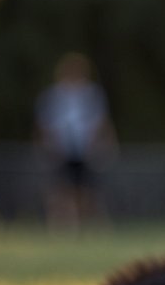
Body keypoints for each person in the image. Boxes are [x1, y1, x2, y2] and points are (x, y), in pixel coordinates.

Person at [35, 53, 115, 229]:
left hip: (85, 149)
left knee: (87, 189)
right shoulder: (53, 96)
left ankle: (90, 225)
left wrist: (104, 144)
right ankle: (63, 225)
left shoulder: (92, 95)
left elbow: (101, 122)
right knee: (62, 188)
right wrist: (48, 146)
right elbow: (45, 125)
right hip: (62, 150)